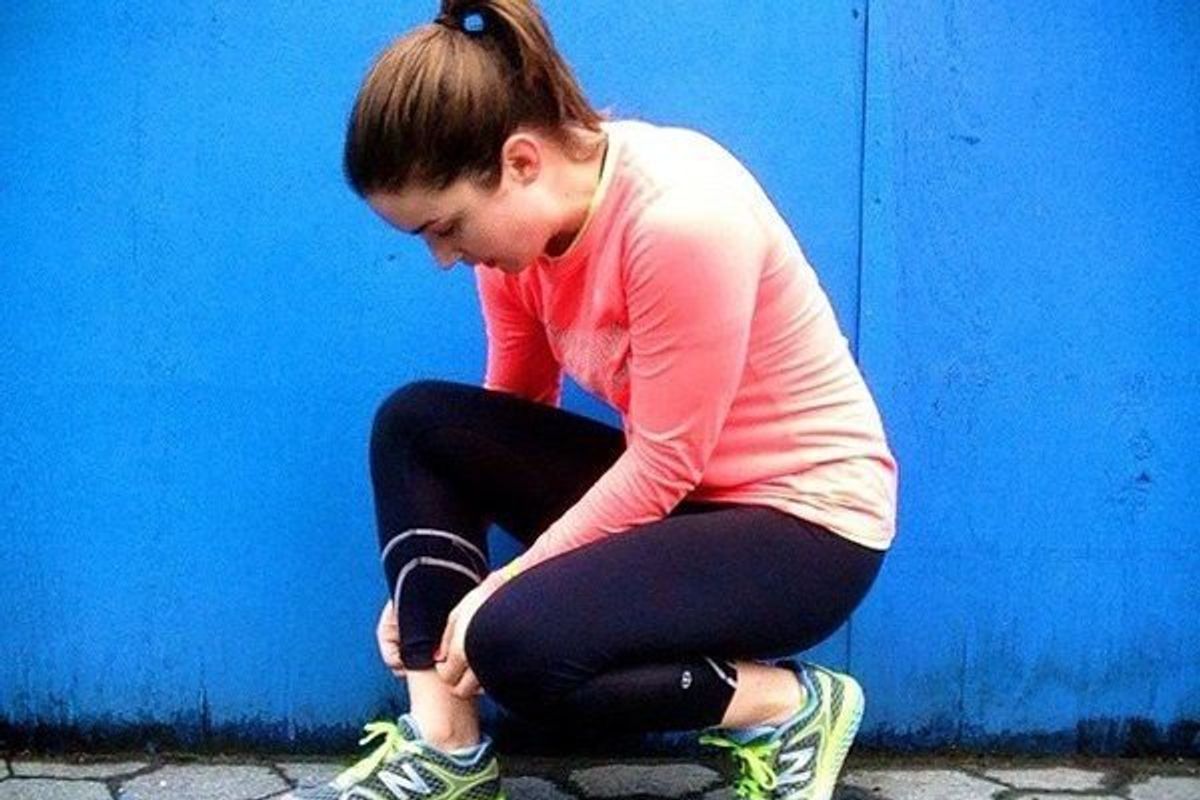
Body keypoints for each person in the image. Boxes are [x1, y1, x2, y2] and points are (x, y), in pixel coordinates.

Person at [287, 1, 897, 799]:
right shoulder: (516, 249)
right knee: (417, 424)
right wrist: (425, 585)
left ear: (521, 162)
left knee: (515, 647)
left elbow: (666, 463)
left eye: (446, 227)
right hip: (682, 503)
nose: (442, 256)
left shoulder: (680, 219)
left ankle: (790, 706)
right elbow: (503, 424)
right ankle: (445, 750)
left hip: (806, 532)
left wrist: (501, 590)